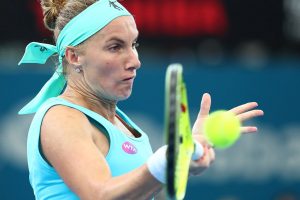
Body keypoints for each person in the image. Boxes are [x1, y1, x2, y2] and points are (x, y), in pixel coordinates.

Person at [18, 0, 264, 199]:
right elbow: (100, 195)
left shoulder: (123, 124)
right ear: (73, 57)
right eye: (115, 47)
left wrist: (183, 159)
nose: (135, 60)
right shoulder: (61, 118)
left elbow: (137, 191)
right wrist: (163, 161)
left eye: (133, 44)